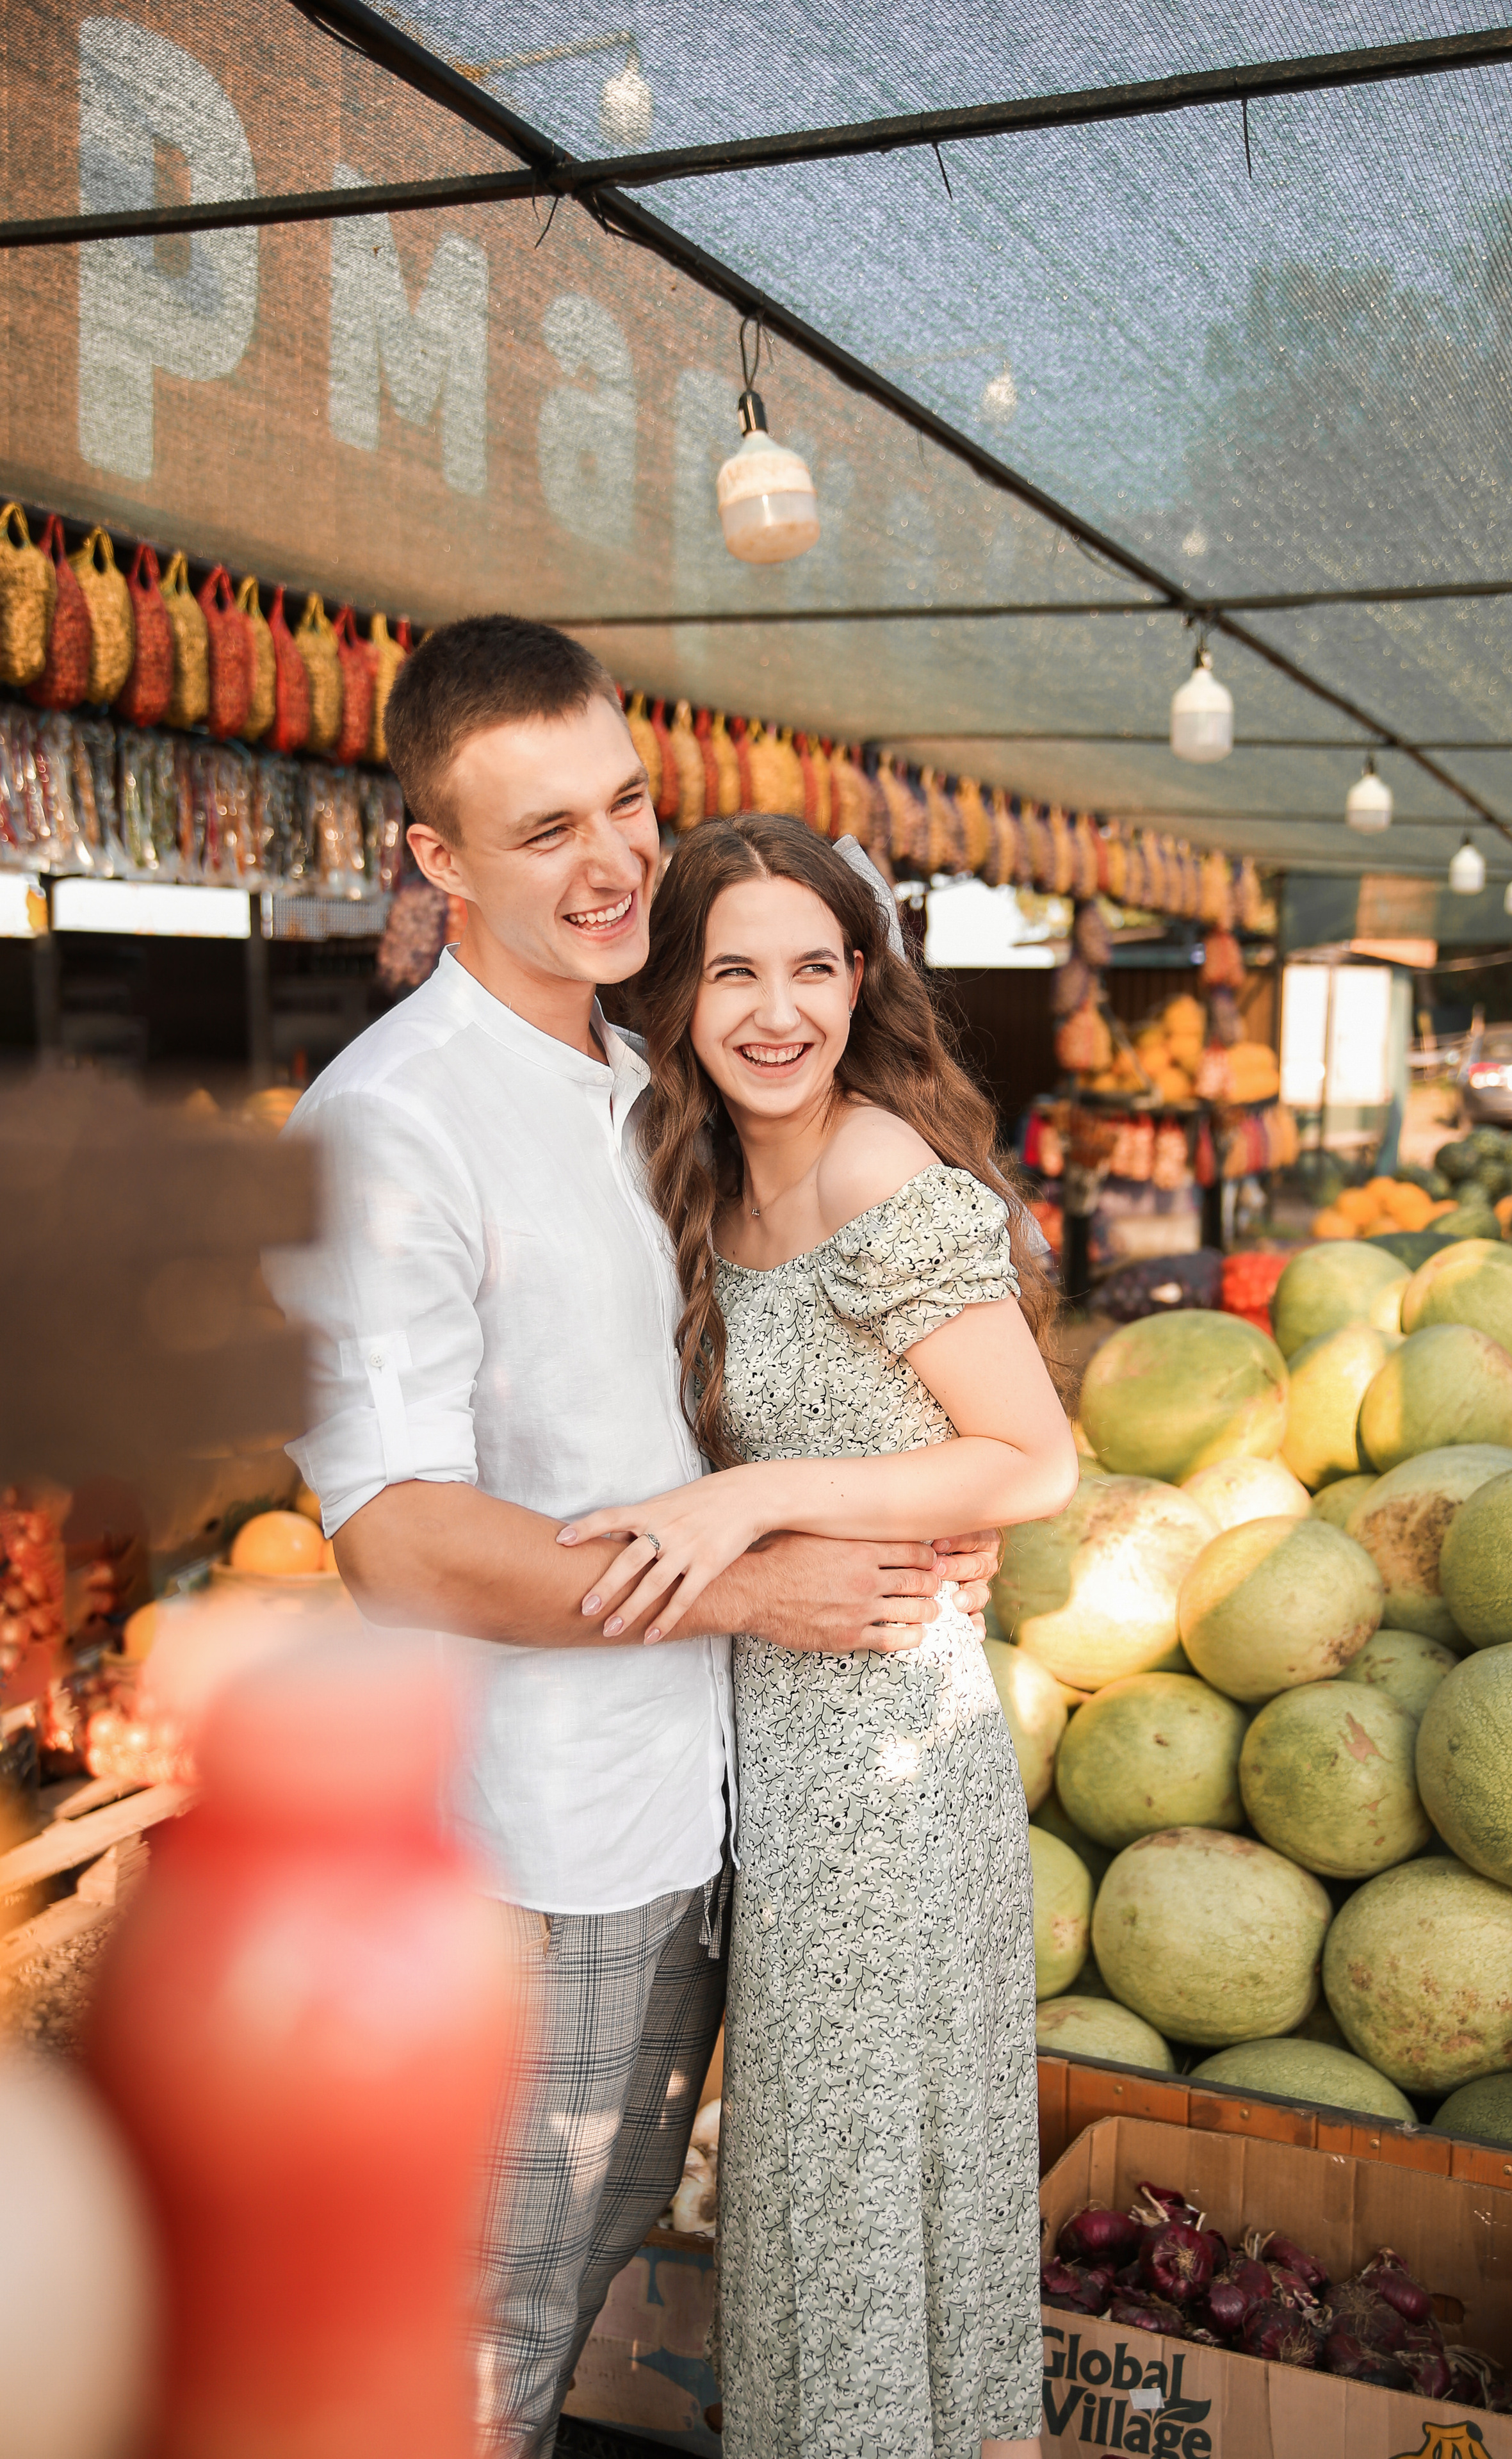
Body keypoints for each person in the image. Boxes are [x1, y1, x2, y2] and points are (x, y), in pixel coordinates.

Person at [261, 619, 1004, 2459]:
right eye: (541, 835)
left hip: (694, 1813)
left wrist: (896, 1500)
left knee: (564, 2298)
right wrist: (769, 1583)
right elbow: (402, 1540)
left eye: (628, 808)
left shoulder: (648, 1072)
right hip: (530, 1848)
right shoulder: (392, 1128)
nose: (610, 870)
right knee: (472, 2349)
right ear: (436, 862)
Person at [562, 814, 1079, 2459]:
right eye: (732, 973)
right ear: (678, 995)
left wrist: (754, 1499)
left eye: (811, 967)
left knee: (870, 2201)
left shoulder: (871, 1164)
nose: (775, 1011)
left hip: (883, 1773)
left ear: (862, 980)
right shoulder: (692, 1168)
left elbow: (1035, 1457)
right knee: (845, 2201)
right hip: (774, 1752)